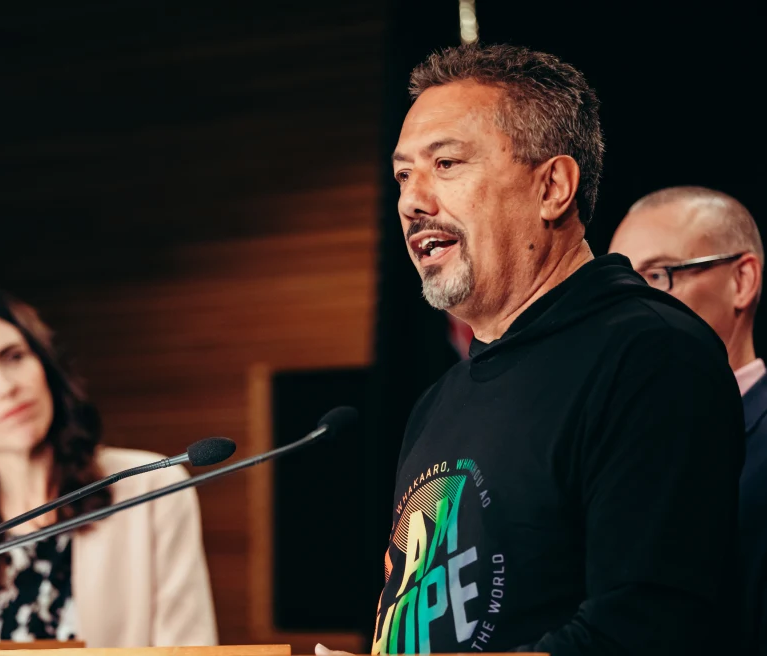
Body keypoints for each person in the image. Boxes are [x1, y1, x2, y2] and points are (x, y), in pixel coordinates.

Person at [316, 44, 743, 656]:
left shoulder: (652, 356)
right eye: (404, 175)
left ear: (553, 187)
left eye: (446, 163)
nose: (412, 201)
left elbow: (642, 629)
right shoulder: (439, 401)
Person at [0, 287, 218, 647]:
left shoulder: (152, 487)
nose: (5, 386)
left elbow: (188, 647)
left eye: (14, 357)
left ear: (43, 364)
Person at [610, 187, 766, 655]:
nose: (629, 305)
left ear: (742, 280)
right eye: (618, 285)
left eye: (658, 275)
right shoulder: (611, 448)